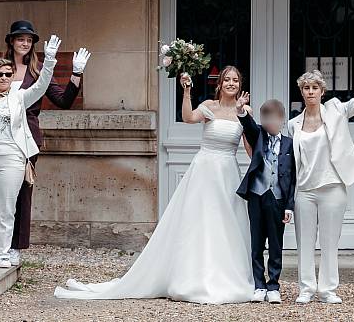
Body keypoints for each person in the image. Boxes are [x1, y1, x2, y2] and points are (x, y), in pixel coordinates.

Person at [56, 65, 254, 304]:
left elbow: (251, 148)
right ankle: (194, 276)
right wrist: (187, 91)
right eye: (227, 80)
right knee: (201, 220)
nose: (231, 83)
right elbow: (189, 118)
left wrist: (245, 117)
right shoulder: (209, 107)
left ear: (240, 85)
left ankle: (227, 276)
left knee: (227, 222)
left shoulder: (244, 110)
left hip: (228, 172)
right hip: (205, 171)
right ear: (220, 84)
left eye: (235, 80)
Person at [288, 60, 354, 304]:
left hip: (333, 187)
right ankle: (306, 289)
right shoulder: (292, 125)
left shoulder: (336, 110)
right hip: (304, 190)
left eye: (315, 88)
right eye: (306, 88)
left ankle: (328, 290)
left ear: (322, 92)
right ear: (301, 92)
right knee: (305, 242)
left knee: (330, 242)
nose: (310, 92)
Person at [0, 19, 89, 264]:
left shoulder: (39, 73)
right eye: (20, 39)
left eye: (28, 40)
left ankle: (15, 246)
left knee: (21, 190)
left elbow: (64, 101)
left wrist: (76, 74)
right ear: (11, 41)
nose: (24, 43)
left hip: (26, 136)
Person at [0, 47, 60, 269]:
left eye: (9, 74)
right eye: (0, 74)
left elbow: (42, 85)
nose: (5, 78)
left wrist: (50, 60)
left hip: (12, 158)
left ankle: (4, 252)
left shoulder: (20, 98)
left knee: (7, 209)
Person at [236, 97, 296, 304]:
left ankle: (274, 286)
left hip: (278, 199)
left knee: (276, 243)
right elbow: (248, 125)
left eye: (275, 119)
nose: (270, 123)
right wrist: (241, 111)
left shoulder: (290, 144)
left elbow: (293, 178)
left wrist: (289, 206)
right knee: (257, 243)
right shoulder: (258, 135)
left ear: (282, 120)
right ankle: (259, 285)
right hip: (256, 196)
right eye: (266, 119)